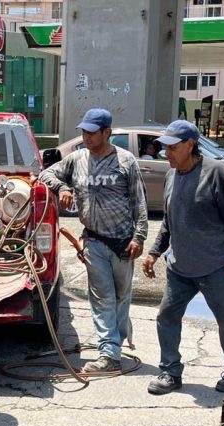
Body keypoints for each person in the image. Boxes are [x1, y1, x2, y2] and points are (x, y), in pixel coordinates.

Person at [141, 120, 224, 395]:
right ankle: (170, 372)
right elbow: (169, 220)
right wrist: (154, 252)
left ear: (191, 145)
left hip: (215, 265)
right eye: (164, 148)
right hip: (180, 267)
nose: (166, 153)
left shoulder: (214, 173)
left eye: (173, 148)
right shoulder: (171, 175)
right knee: (166, 316)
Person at [39, 108, 149, 373]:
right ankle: (109, 352)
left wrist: (140, 237)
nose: (86, 136)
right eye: (84, 131)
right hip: (94, 241)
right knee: (102, 298)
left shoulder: (126, 161)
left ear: (107, 132)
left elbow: (139, 203)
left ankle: (116, 343)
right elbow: (45, 174)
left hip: (123, 241)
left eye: (92, 132)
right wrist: (62, 188)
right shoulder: (76, 159)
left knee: (122, 296)